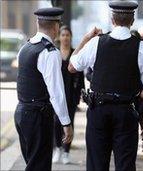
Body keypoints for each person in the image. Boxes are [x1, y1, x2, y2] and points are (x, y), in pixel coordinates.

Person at [68, 2, 143, 170]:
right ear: (132, 21)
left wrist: (86, 38)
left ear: (112, 20)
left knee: (96, 164)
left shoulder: (96, 43)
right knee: (125, 165)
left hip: (98, 111)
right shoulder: (142, 47)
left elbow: (72, 66)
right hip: (126, 112)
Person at [14, 7, 73, 171]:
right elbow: (56, 93)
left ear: (37, 23)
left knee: (32, 164)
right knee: (39, 166)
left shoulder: (25, 48)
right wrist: (66, 123)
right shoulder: (50, 52)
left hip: (21, 112)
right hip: (37, 116)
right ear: (56, 27)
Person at [52, 25, 84, 164]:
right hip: (56, 95)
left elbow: (81, 74)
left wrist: (80, 94)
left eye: (67, 35)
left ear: (71, 37)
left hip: (71, 95)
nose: (65, 37)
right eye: (63, 35)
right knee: (55, 123)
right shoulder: (55, 53)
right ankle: (57, 148)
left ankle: (66, 152)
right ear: (59, 37)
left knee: (69, 123)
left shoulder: (75, 53)